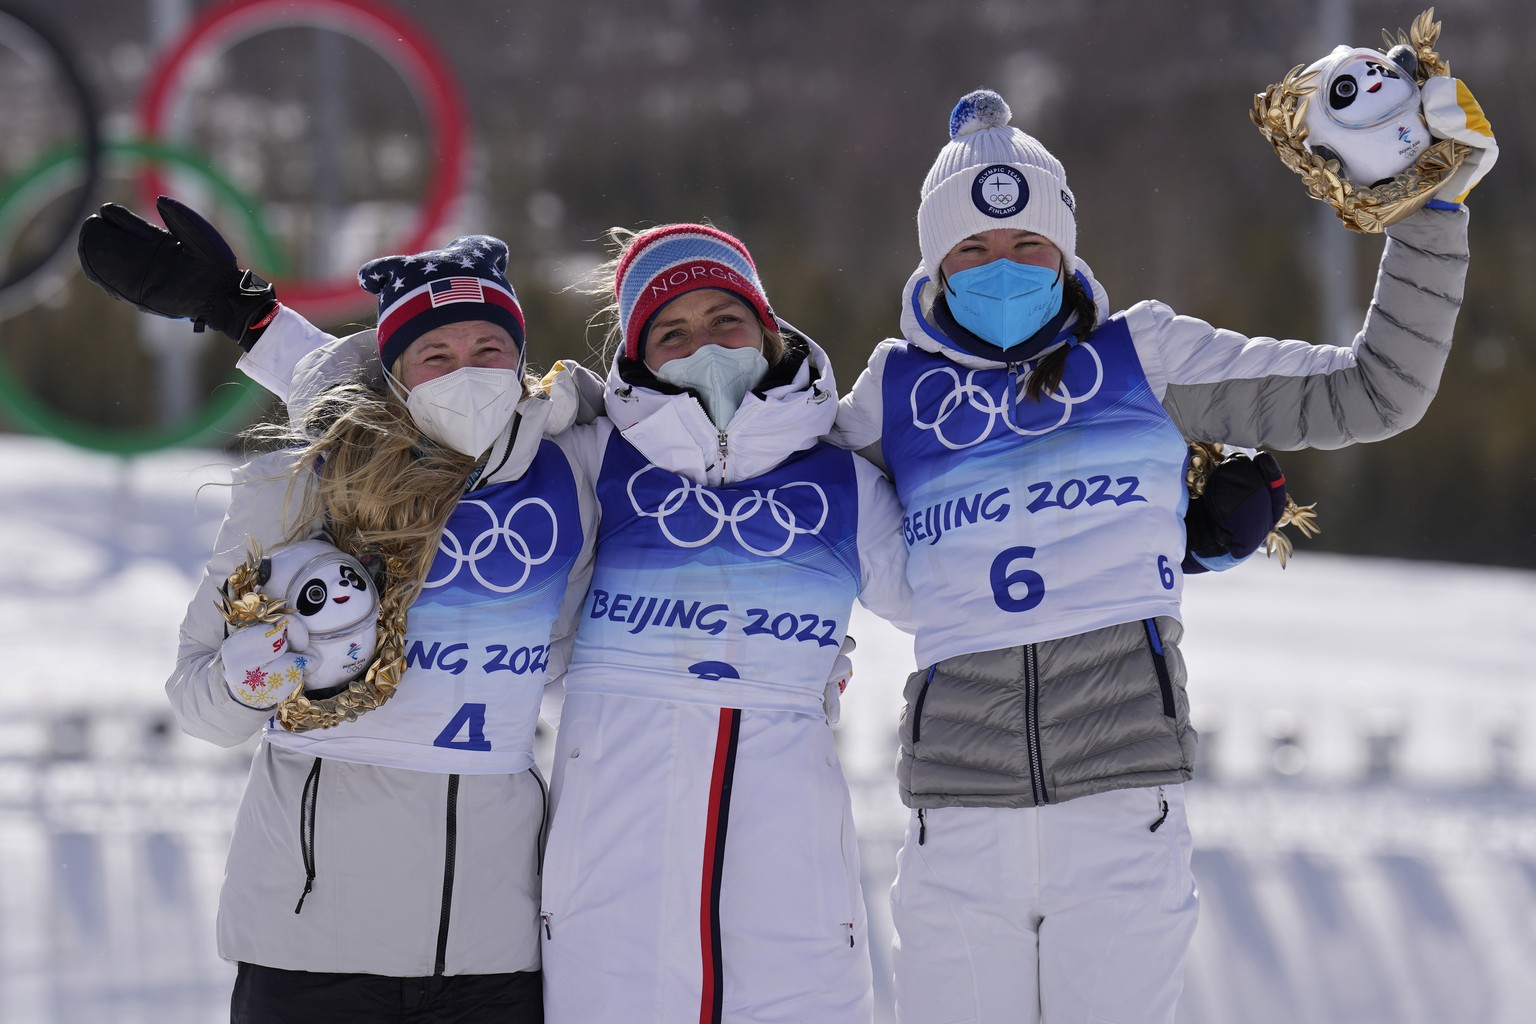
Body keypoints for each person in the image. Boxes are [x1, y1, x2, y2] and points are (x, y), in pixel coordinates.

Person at [830, 86, 1495, 1024]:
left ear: (1065, 250)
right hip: (957, 830)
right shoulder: (891, 396)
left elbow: (1376, 392)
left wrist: (1427, 209)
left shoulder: (1146, 356)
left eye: (1028, 246)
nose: (1004, 268)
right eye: (971, 251)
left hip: (1118, 821)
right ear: (935, 265)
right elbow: (782, 493)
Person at [78, 202, 599, 1023]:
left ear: (524, 361)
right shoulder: (301, 488)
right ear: (394, 375)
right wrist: (269, 664)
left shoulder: (571, 473)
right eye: (437, 354)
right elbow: (200, 705)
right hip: (309, 943)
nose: (469, 371)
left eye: (490, 348)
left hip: (495, 951)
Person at [532, 223, 913, 1023]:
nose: (704, 342)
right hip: (610, 907)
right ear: (640, 358)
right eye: (672, 331)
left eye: (724, 319)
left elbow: (963, 595)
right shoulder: (595, 462)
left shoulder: (840, 481)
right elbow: (453, 472)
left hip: (795, 915)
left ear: (767, 331)